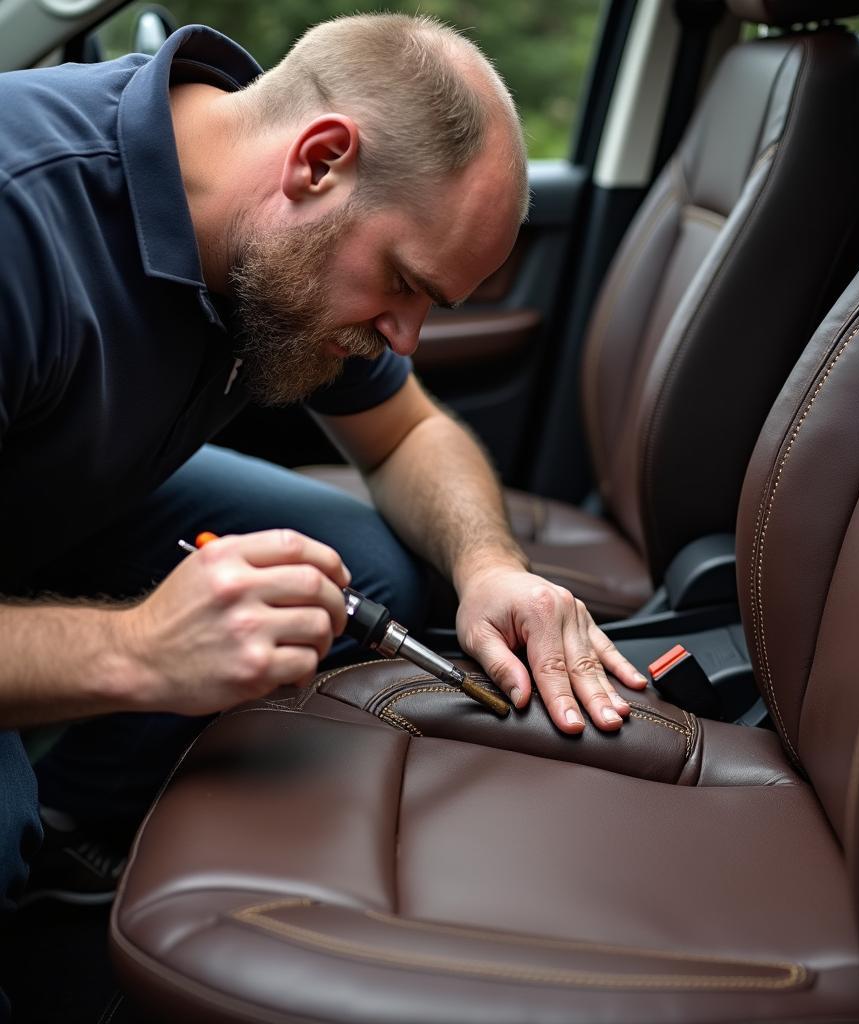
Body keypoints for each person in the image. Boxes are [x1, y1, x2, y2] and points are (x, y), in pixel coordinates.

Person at [0, 10, 649, 968]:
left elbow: (411, 434)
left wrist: (489, 566)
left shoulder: (284, 235)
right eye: (404, 284)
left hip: (47, 497)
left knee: (367, 574)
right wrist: (140, 651)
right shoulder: (23, 220)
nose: (406, 336)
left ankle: (76, 831)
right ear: (320, 161)